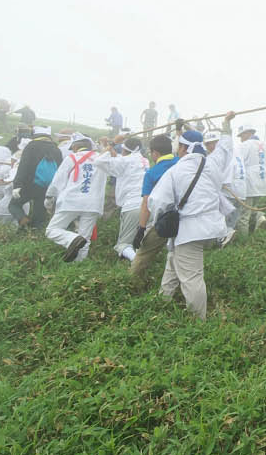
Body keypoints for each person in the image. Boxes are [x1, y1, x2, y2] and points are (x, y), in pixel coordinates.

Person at [146, 118, 237, 318]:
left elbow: (157, 201)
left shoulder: (176, 170)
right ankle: (163, 299)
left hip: (190, 230)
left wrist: (159, 219)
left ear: (183, 149)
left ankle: (199, 322)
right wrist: (227, 123)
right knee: (174, 259)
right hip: (212, 228)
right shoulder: (213, 163)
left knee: (192, 277)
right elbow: (225, 146)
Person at [43, 134, 106, 262]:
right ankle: (78, 265)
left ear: (76, 146)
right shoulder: (102, 159)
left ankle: (72, 239)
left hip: (71, 201)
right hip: (93, 203)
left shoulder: (71, 158)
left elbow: (57, 181)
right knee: (85, 238)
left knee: (52, 230)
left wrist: (49, 197)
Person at [131, 134, 179, 286]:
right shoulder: (181, 163)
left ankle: (131, 282)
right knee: (178, 255)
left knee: (143, 253)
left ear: (155, 153)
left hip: (165, 220)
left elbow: (146, 204)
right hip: (187, 218)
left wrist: (141, 228)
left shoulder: (152, 173)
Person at [95, 135, 149, 262]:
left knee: (123, 245)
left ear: (125, 150)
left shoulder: (126, 161)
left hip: (132, 206)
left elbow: (98, 161)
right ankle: (130, 266)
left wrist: (113, 143)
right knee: (136, 241)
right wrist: (109, 145)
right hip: (147, 205)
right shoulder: (143, 160)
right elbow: (118, 158)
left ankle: (138, 263)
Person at [10, 125, 62, 230]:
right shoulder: (56, 149)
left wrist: (17, 184)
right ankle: (35, 233)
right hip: (47, 187)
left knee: (14, 205)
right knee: (39, 215)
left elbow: (23, 166)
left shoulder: (31, 146)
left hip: (30, 184)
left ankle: (23, 219)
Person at [235, 125, 266, 232]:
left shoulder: (244, 145)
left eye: (241, 136)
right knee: (254, 208)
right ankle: (259, 219)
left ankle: (243, 242)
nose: (241, 139)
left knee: (244, 214)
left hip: (248, 183)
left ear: (247, 133)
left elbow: (238, 164)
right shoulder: (265, 145)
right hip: (262, 183)